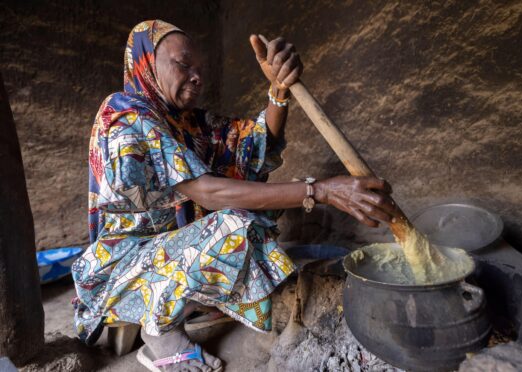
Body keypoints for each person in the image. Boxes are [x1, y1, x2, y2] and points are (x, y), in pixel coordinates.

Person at [72, 20, 396, 372]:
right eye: (183, 64)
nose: (197, 77)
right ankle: (159, 337)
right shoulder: (125, 114)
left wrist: (278, 90)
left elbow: (253, 143)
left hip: (166, 254)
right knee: (235, 224)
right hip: (122, 269)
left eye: (200, 69)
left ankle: (186, 302)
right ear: (147, 62)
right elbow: (210, 193)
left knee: (259, 214)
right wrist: (317, 191)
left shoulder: (187, 123)